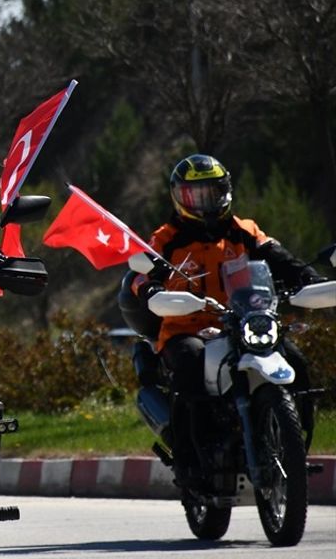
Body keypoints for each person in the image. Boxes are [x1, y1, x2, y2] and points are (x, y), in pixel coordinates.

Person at [118, 154, 322, 487]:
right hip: (187, 327)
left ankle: (293, 446)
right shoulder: (167, 238)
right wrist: (151, 290)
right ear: (179, 197)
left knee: (296, 360)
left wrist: (309, 279)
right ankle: (189, 461)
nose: (205, 202)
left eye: (212, 192)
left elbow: (282, 259)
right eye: (195, 195)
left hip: (243, 322)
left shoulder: (244, 231)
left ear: (225, 191)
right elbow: (141, 273)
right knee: (189, 366)